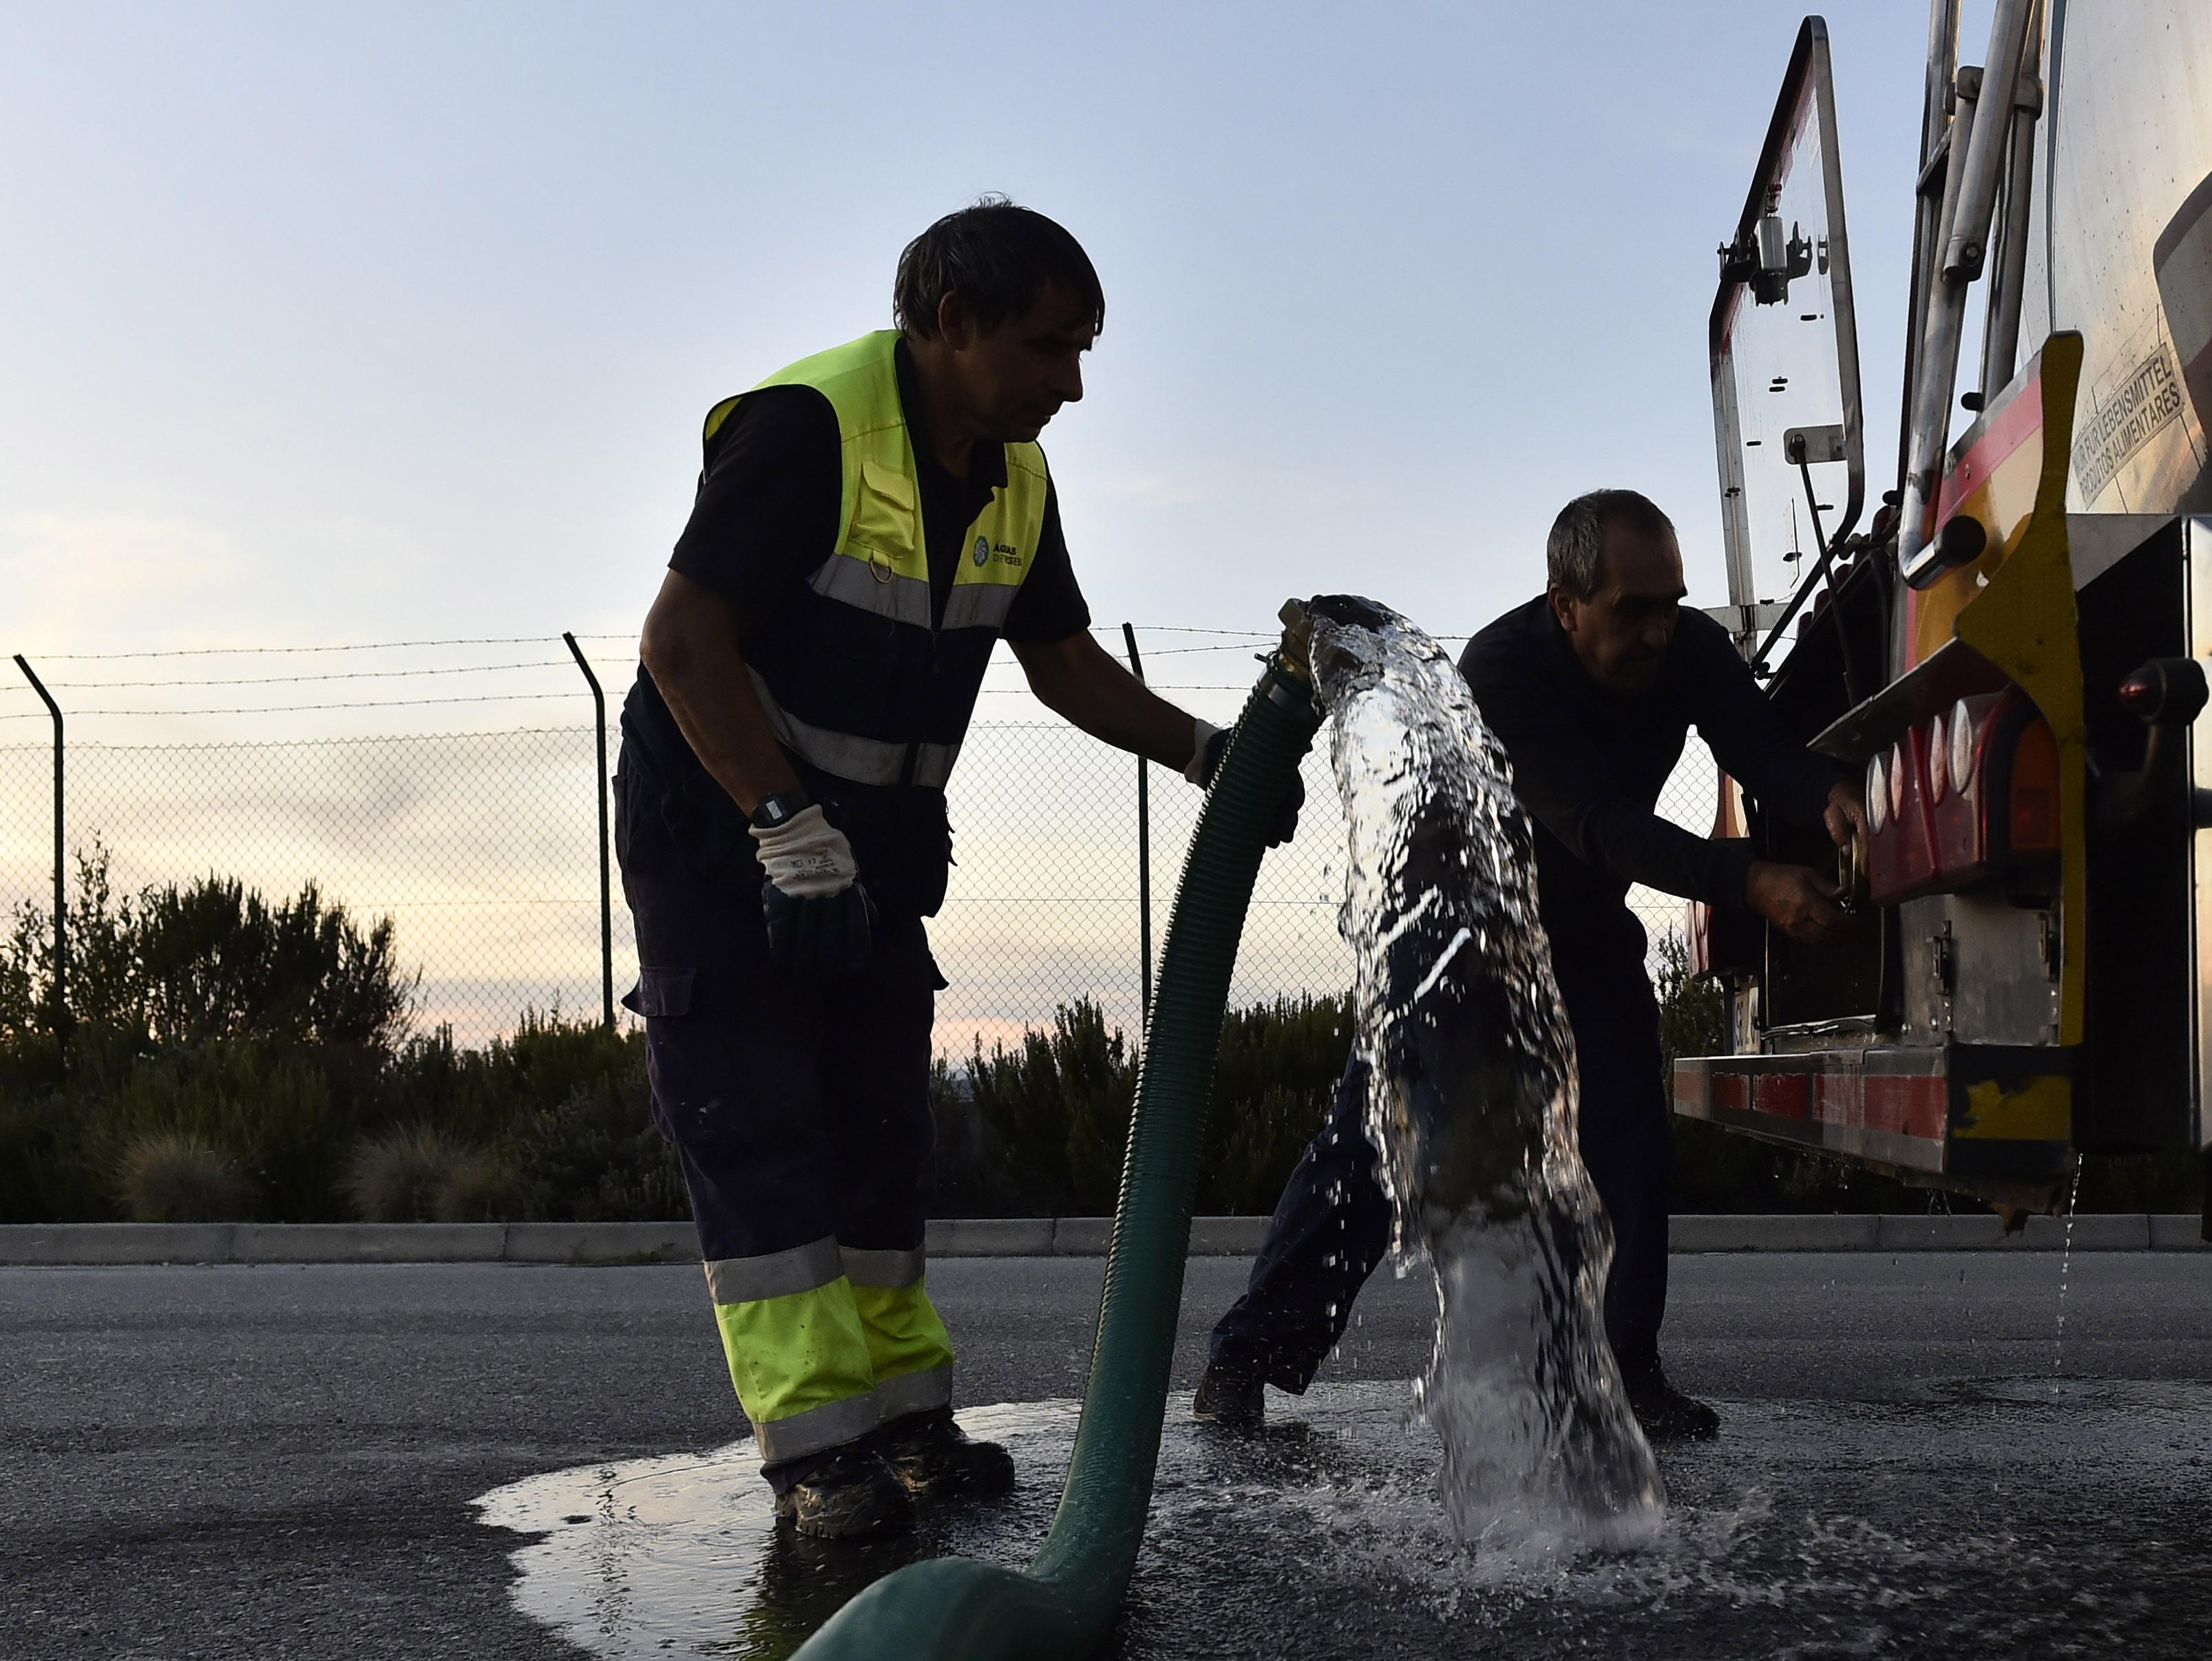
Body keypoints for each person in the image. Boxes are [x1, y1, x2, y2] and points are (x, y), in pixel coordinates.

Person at [619, 198, 1298, 1541]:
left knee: (881, 1128)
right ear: (952, 324)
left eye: (1084, 348)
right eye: (1051, 347)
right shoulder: (806, 431)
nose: (1074, 382)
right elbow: (681, 639)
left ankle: (905, 1423)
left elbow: (1058, 661)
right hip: (721, 821)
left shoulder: (1011, 472)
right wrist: (783, 826)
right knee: (763, 1128)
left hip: (866, 837)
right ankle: (820, 1455)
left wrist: (1207, 752)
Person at [1196, 489, 1857, 1437]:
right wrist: (1751, 883)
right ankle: (1245, 1359)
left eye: (1673, 601)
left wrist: (1830, 793)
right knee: (1375, 1150)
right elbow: (1598, 825)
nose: (1660, 630)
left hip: (1582, 929)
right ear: (1565, 603)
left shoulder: (1688, 651)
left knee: (1628, 1136)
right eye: (1632, 610)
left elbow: (1764, 752)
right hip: (1455, 930)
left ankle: (1626, 1374)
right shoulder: (1504, 670)